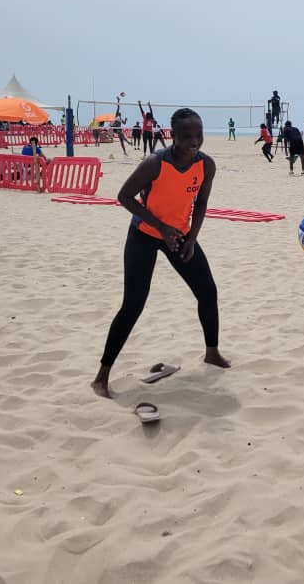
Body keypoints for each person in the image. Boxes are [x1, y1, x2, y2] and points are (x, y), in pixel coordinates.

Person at [91, 108, 229, 399]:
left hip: (179, 236)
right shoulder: (155, 163)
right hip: (144, 235)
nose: (194, 142)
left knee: (208, 291)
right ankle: (101, 376)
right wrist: (160, 227)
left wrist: (192, 237)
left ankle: (212, 353)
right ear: (173, 136)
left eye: (198, 135)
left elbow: (202, 203)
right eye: (186, 136)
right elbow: (124, 196)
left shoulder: (207, 166)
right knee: (133, 305)